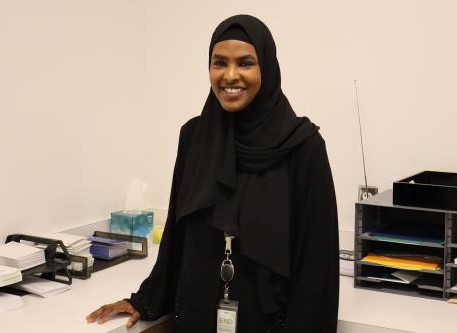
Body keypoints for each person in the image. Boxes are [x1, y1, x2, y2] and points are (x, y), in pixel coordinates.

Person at [86, 14, 339, 333]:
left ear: (267, 68)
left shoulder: (303, 147)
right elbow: (177, 236)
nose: (230, 75)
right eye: (219, 63)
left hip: (268, 324)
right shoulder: (193, 138)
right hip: (196, 316)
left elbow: (317, 266)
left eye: (245, 63)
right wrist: (146, 299)